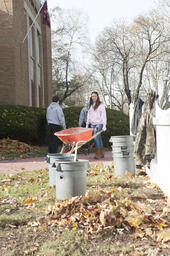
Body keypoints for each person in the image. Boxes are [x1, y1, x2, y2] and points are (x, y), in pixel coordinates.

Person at [86, 91, 107, 159]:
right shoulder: (90, 105)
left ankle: (98, 154)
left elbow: (104, 116)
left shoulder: (101, 105)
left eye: (95, 96)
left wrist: (104, 125)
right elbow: (88, 116)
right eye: (92, 96)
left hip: (99, 123)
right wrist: (87, 124)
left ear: (97, 97)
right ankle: (101, 153)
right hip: (92, 124)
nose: (93, 97)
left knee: (95, 136)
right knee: (98, 138)